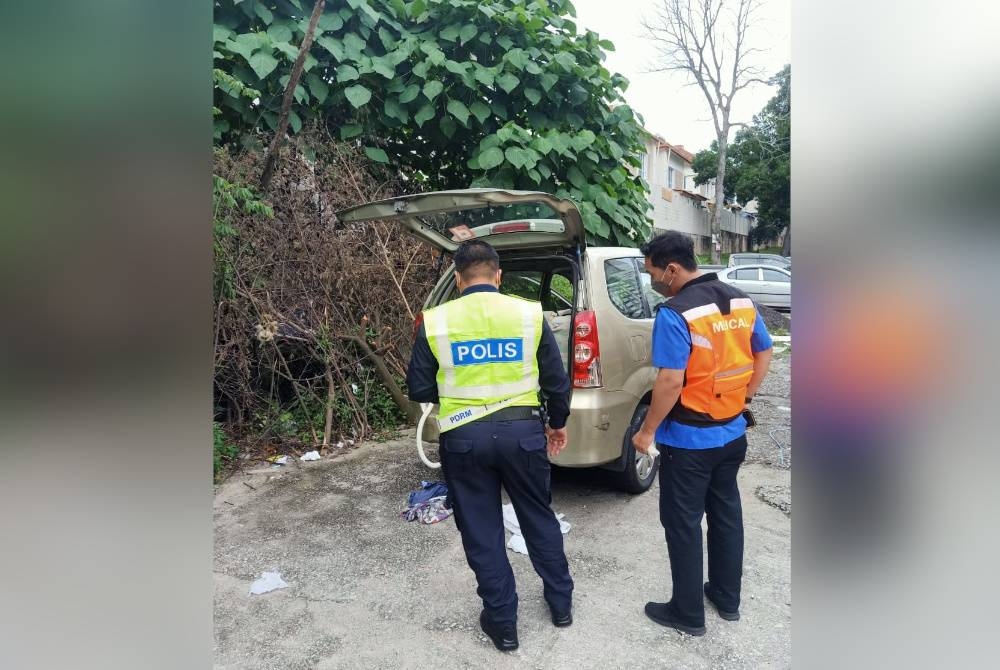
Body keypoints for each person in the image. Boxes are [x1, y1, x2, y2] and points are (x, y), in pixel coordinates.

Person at [406, 239, 574, 652]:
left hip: (464, 440)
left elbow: (420, 386)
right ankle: (561, 606)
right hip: (523, 435)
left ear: (459, 279)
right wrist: (557, 424)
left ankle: (503, 626)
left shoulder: (435, 320)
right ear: (498, 276)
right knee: (537, 517)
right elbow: (556, 380)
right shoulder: (528, 314)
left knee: (482, 531)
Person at [632, 231, 773, 636]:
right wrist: (744, 396)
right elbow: (764, 351)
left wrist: (647, 432)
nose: (653, 280)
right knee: (726, 514)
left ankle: (687, 613)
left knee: (682, 522)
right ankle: (727, 599)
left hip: (688, 442)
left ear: (672, 269)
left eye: (653, 272)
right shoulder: (739, 299)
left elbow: (671, 381)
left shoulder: (676, 312)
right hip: (732, 434)